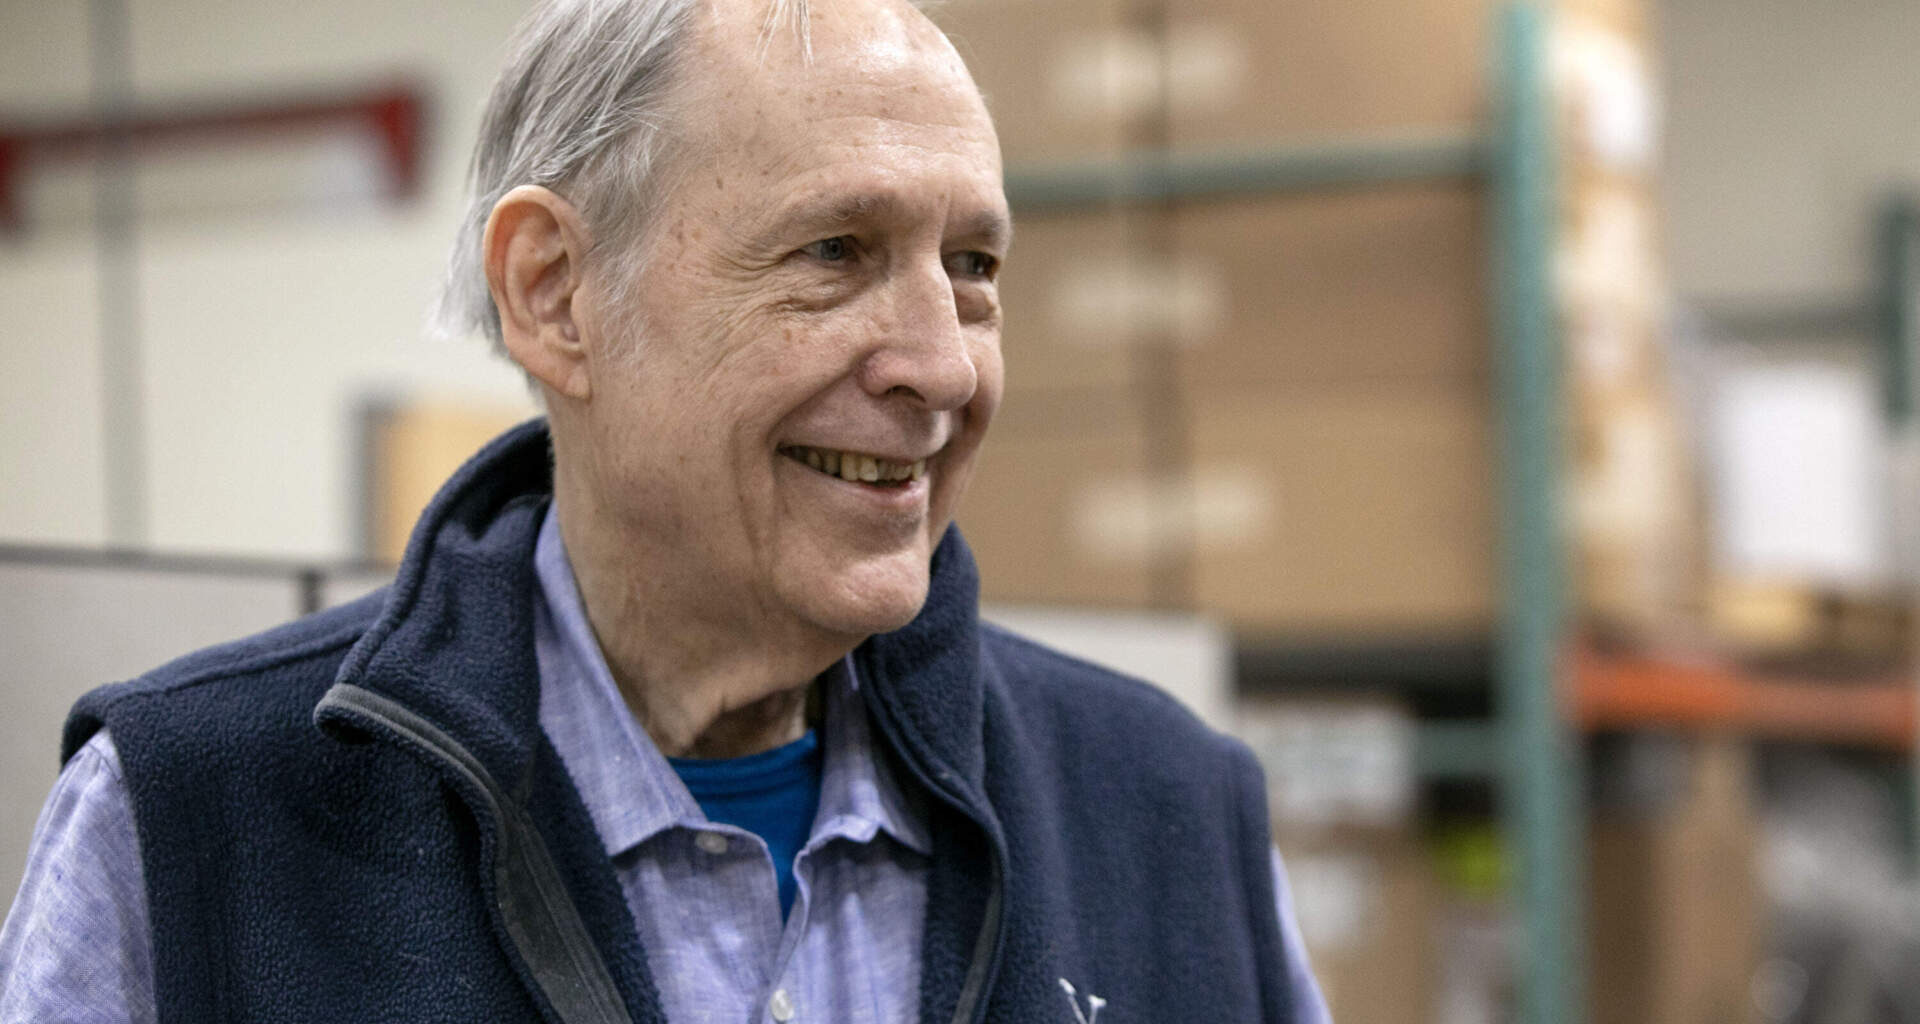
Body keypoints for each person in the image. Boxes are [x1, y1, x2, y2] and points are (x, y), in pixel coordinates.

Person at [0, 0, 1331, 1020]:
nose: (942, 366)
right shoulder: (195, 823)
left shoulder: (1165, 814)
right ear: (553, 292)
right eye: (836, 252)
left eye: (973, 266)